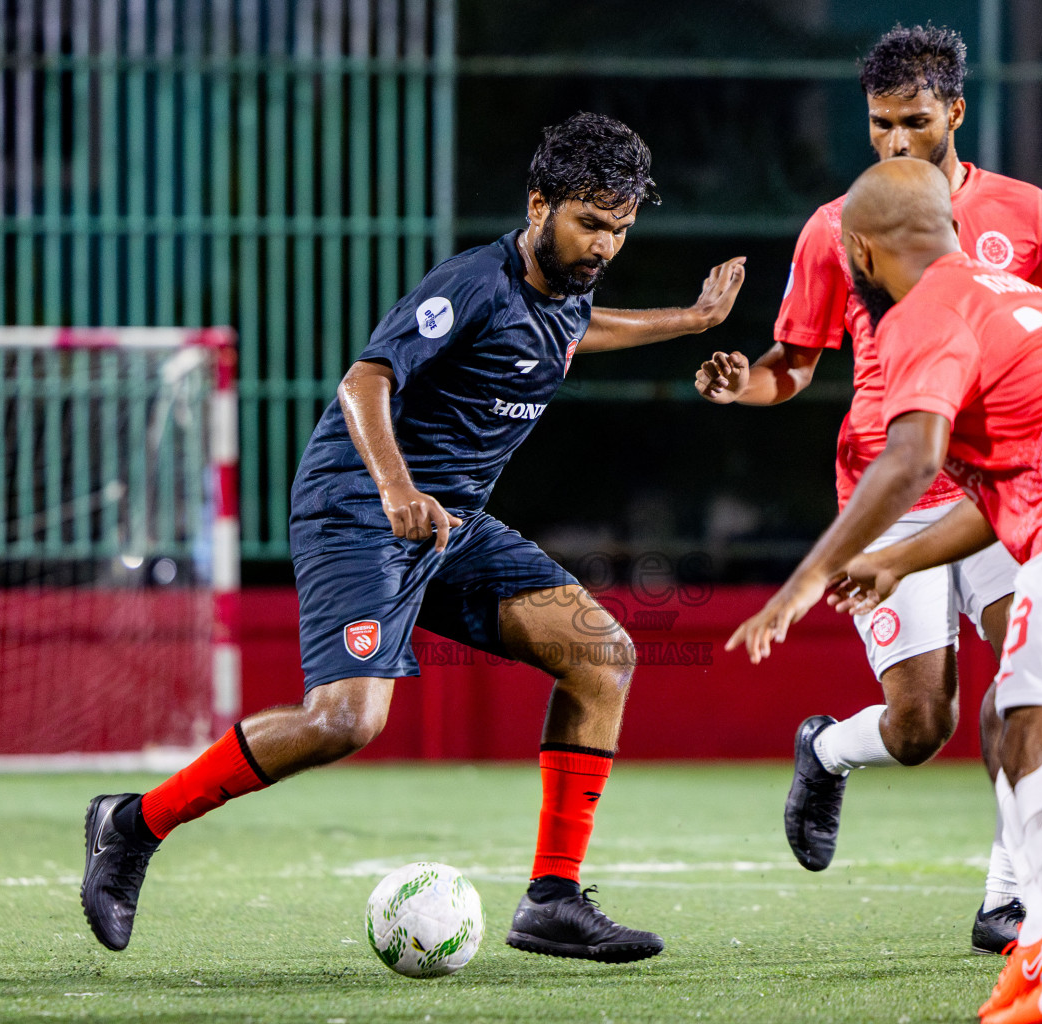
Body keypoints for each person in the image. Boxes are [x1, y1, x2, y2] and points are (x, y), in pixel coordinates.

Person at [80, 112, 747, 961]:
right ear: (539, 204)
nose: (604, 247)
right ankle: (132, 824)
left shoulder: (566, 296)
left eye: (620, 228)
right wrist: (396, 488)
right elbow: (365, 380)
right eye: (589, 223)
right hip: (361, 507)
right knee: (345, 722)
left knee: (602, 656)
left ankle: (551, 900)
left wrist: (690, 320)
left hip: (452, 527)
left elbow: (582, 329)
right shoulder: (472, 283)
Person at [693, 23, 1042, 954]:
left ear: (954, 112)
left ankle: (1008, 898)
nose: (894, 143)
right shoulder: (839, 225)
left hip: (1001, 483)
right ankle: (829, 750)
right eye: (879, 124)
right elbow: (793, 365)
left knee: (1025, 690)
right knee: (923, 723)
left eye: (914, 122)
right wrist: (746, 384)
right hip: (890, 484)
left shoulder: (1025, 213)